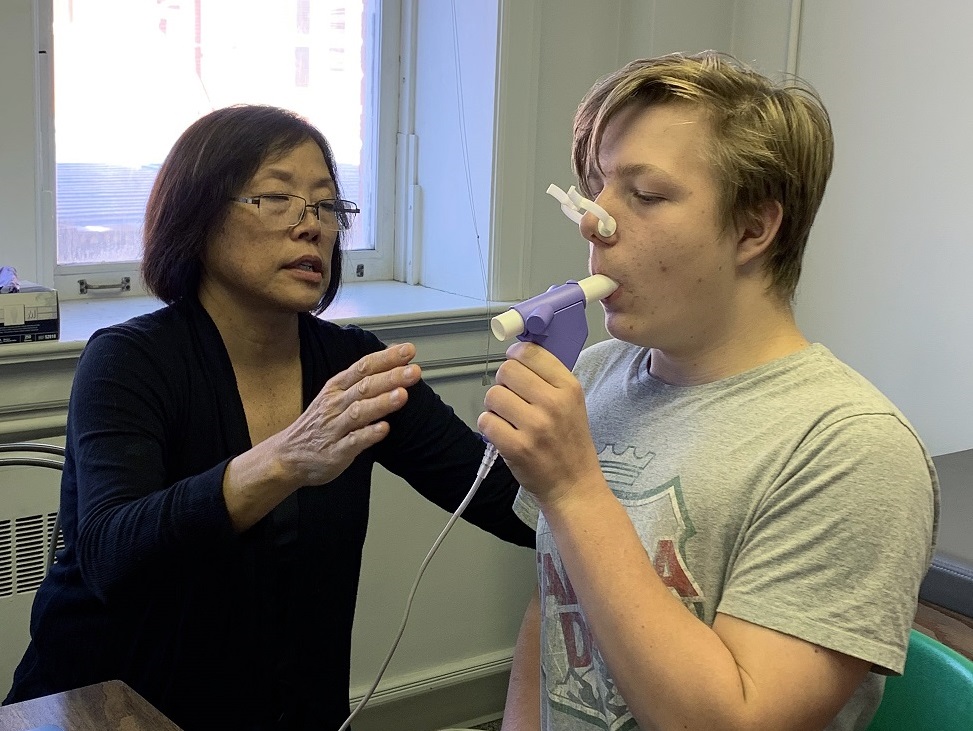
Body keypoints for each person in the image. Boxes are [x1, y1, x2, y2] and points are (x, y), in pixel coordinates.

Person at [3, 104, 534, 730]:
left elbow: (505, 501)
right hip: (106, 706)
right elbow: (111, 560)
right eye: (278, 198)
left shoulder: (354, 368)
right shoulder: (128, 360)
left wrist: (589, 470)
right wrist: (283, 460)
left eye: (326, 206)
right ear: (198, 216)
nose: (312, 227)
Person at [478, 51, 939, 731]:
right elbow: (551, 609)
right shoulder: (595, 375)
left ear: (753, 228)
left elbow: (735, 719)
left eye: (645, 194)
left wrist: (574, 489)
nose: (594, 221)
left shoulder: (854, 450)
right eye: (598, 187)